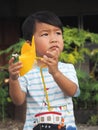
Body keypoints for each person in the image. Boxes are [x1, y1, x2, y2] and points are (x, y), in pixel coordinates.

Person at [8, 10, 80, 130]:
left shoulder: (67, 68)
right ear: (30, 43)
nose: (54, 39)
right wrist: (14, 79)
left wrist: (56, 73)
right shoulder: (26, 70)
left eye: (58, 33)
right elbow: (18, 100)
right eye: (45, 34)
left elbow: (72, 92)